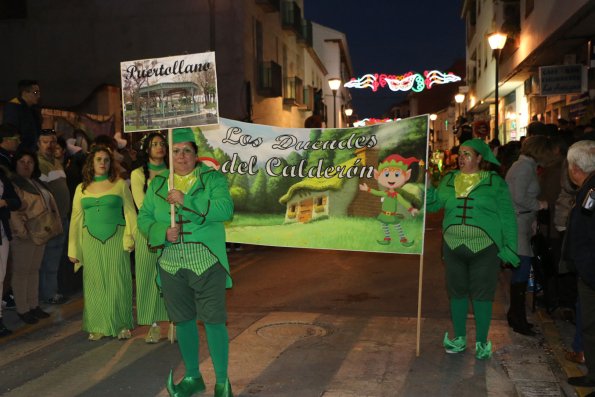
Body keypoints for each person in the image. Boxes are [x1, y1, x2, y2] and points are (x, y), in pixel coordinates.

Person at [138, 128, 234, 397]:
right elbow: (144, 218)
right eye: (176, 151)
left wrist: (186, 200)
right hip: (170, 264)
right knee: (183, 321)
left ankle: (223, 382)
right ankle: (193, 376)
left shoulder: (212, 179)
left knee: (214, 320)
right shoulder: (158, 184)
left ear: (195, 154)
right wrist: (161, 232)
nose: (181, 156)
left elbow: (225, 210)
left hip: (207, 261)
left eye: (187, 151)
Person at [426, 138, 519, 360]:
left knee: (482, 295)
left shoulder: (494, 182)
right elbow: (434, 206)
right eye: (460, 153)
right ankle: (459, 339)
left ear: (480, 158)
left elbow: (507, 216)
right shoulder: (448, 179)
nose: (461, 157)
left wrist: (510, 248)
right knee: (456, 293)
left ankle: (482, 342)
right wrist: (428, 187)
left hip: (485, 249)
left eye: (467, 154)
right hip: (452, 247)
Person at [68, 145, 136, 341]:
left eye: (106, 160)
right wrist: (73, 249)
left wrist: (130, 237)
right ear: (91, 162)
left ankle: (121, 324)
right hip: (90, 241)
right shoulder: (80, 189)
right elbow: (75, 218)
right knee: (94, 283)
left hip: (116, 238)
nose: (103, 163)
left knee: (118, 282)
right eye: (99, 159)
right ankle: (97, 325)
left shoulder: (121, 184)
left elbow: (130, 212)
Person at [504, 135, 550, 336]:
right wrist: (539, 205)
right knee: (522, 268)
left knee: (521, 268)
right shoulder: (524, 168)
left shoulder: (524, 166)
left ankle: (516, 315)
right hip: (517, 223)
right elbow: (519, 197)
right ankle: (517, 317)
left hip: (522, 222)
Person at [130, 132, 170, 343]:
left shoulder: (174, 172)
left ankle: (174, 321)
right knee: (147, 278)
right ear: (147, 149)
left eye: (162, 143)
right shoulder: (138, 174)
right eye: (154, 144)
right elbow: (142, 205)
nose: (159, 147)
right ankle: (153, 324)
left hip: (171, 232)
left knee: (171, 277)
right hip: (147, 232)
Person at [9, 151, 57, 324]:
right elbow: (13, 210)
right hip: (24, 234)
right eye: (22, 161)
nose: (26, 165)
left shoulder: (35, 182)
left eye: (30, 162)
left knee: (33, 270)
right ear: (15, 164)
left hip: (39, 233)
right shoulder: (14, 184)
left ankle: (33, 305)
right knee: (22, 272)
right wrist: (21, 231)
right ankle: (23, 309)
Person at [564, 140, 595, 394]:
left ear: (574, 168)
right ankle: (592, 373)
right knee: (588, 324)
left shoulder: (591, 191)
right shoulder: (588, 188)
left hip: (591, 270)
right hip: (588, 269)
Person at [37, 129, 70, 305]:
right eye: (45, 142)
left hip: (62, 217)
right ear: (38, 144)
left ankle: (52, 290)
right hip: (50, 219)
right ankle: (48, 294)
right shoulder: (38, 163)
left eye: (52, 142)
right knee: (48, 258)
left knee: (56, 257)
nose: (49, 145)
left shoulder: (56, 162)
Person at [0, 165, 21, 336]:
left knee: (0, 277)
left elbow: (16, 201)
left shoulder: (2, 175)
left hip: (2, 234)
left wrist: (4, 202)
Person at [1, 80, 42, 152]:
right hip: (19, 153)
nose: (39, 96)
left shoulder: (33, 109)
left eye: (39, 92)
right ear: (24, 93)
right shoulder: (14, 107)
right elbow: (11, 133)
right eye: (35, 92)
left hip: (30, 151)